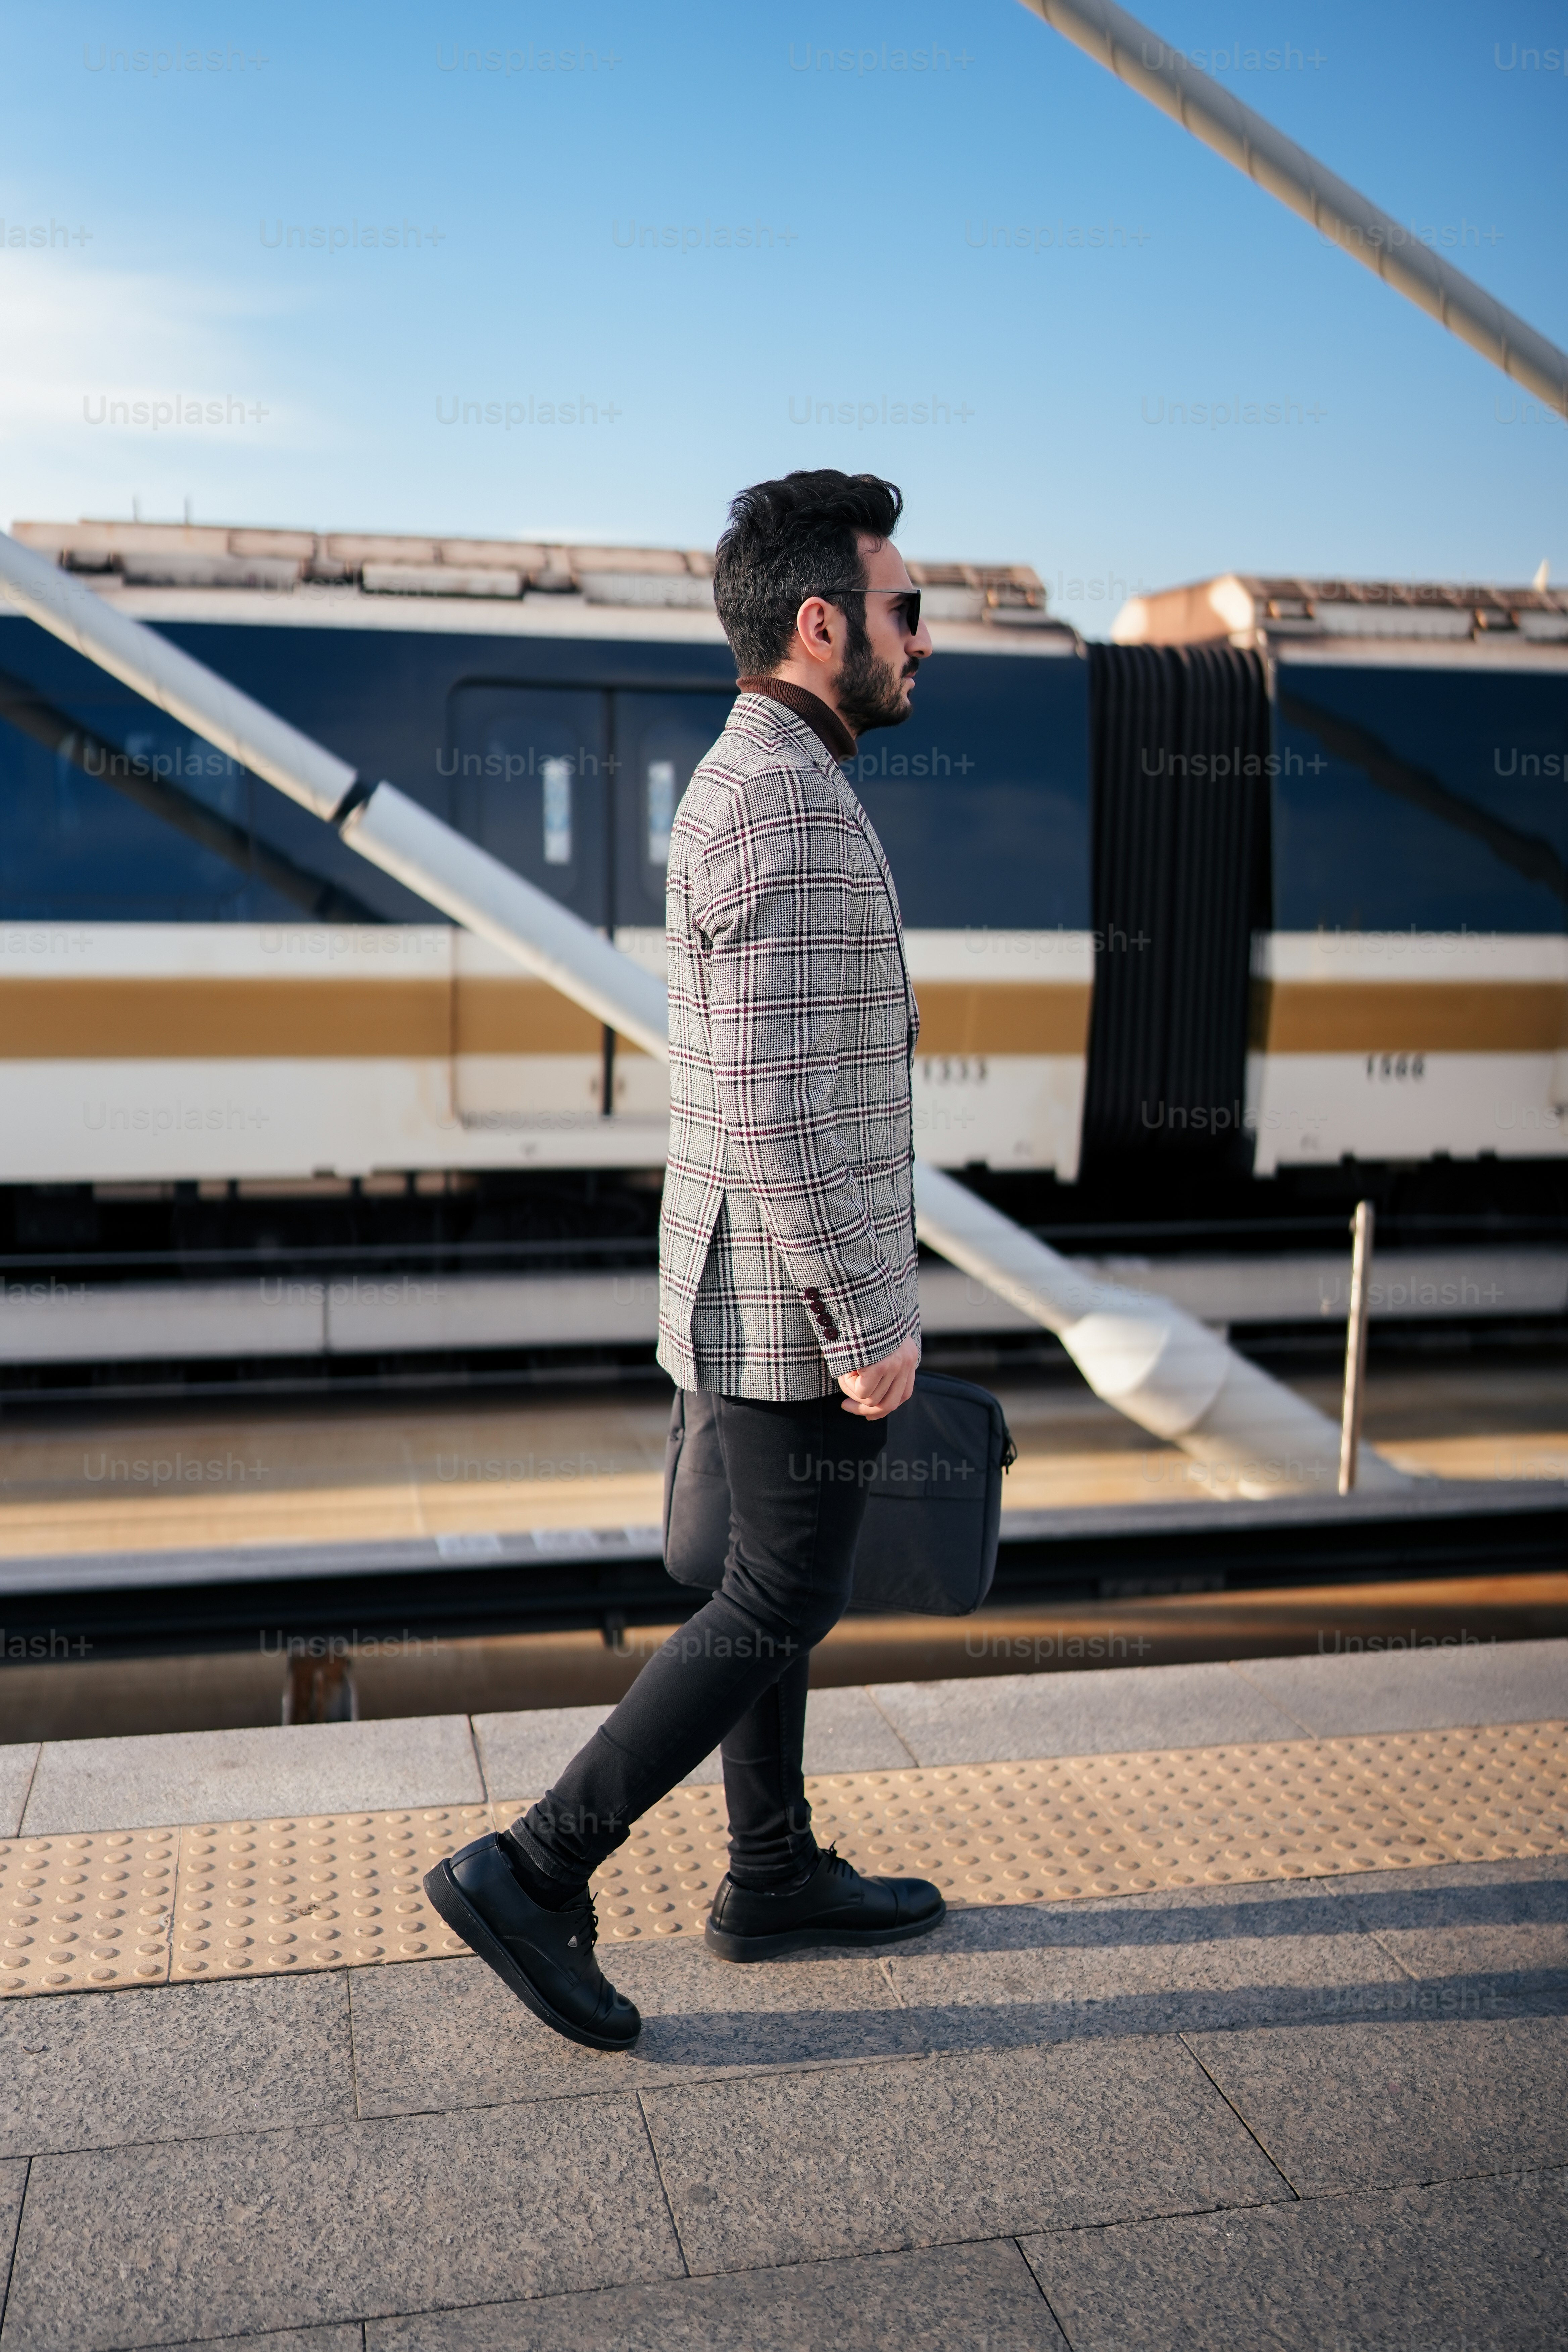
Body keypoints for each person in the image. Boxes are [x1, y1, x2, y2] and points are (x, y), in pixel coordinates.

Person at [425, 469, 943, 2048]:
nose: (923, 641)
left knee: (760, 1583)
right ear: (821, 624)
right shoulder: (782, 798)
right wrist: (860, 1318)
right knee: (783, 1591)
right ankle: (534, 1868)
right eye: (906, 609)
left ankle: (770, 1870)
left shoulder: (758, 771)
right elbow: (781, 1105)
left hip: (738, 1271)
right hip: (784, 1290)